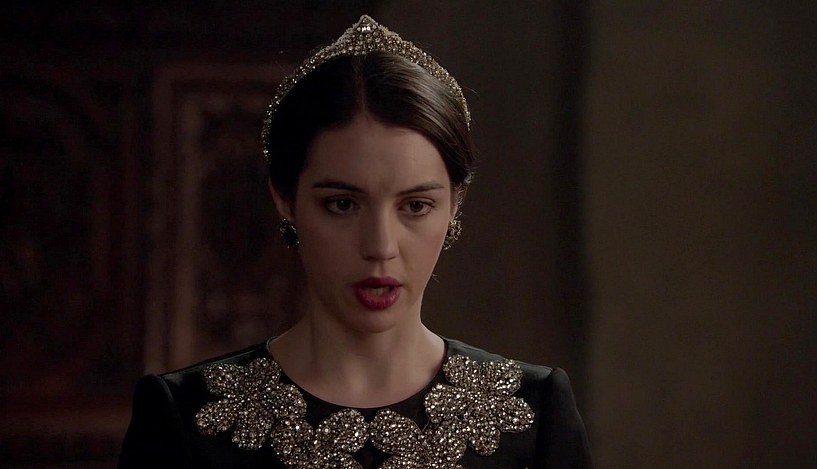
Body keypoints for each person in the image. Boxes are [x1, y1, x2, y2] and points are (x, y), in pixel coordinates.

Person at [118, 15, 593, 468]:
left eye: (415, 206)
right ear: (285, 199)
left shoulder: (533, 413)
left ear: (454, 203)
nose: (380, 247)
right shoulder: (184, 418)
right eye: (343, 204)